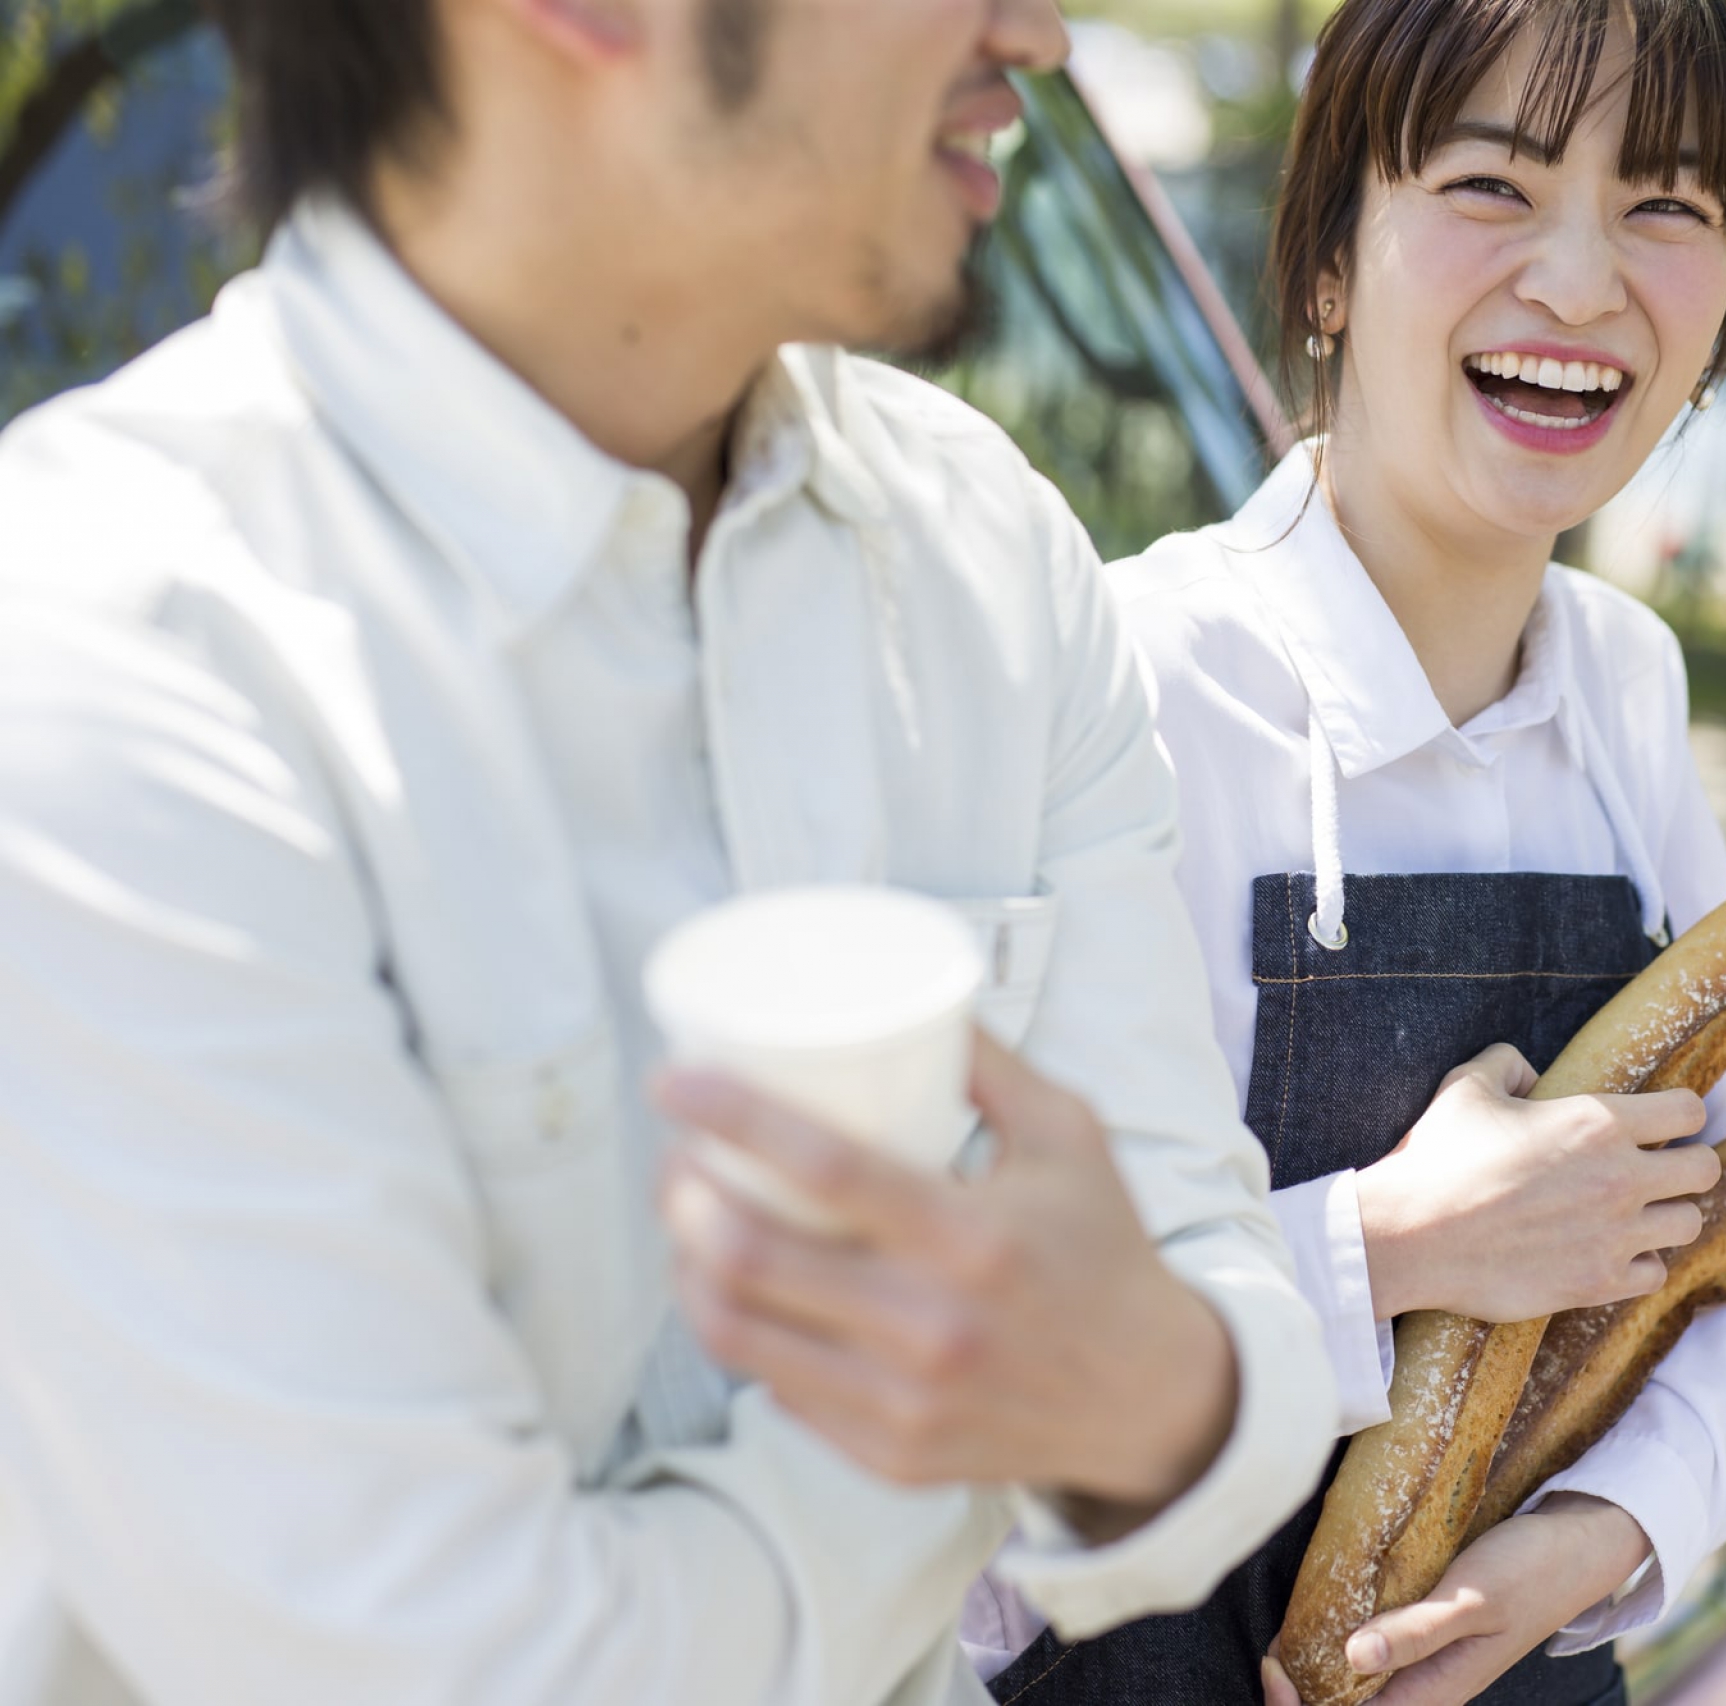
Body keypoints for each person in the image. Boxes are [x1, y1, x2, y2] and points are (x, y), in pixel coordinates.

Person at [0, 2, 1337, 1703]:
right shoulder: (101, 651)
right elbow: (478, 1670)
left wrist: (1154, 1388)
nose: (1042, 34)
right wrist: (1040, 1419)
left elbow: (1234, 1333)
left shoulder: (994, 561)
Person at [966, 3, 1726, 1703]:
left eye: (1666, 206)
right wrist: (1390, 1247)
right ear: (1328, 271)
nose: (1583, 284)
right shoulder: (1131, 688)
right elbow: (962, 1363)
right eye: (1490, 186)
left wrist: (1600, 1535)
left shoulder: (1625, 693)